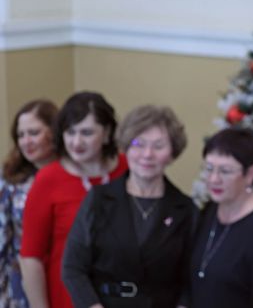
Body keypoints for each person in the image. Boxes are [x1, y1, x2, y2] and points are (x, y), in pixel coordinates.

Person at [62, 105, 194, 308]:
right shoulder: (98, 200)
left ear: (172, 153)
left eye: (158, 146)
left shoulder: (185, 209)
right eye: (138, 144)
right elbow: (73, 268)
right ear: (126, 147)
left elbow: (191, 279)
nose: (147, 154)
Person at [19, 92, 128, 308]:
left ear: (107, 133)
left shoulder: (129, 168)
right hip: (67, 298)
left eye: (86, 133)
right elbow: (30, 257)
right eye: (70, 132)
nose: (76, 142)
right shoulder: (49, 179)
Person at [189, 128, 253, 308]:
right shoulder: (210, 210)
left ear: (250, 174)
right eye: (209, 169)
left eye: (225, 171)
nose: (214, 179)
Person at [0, 100, 58, 308]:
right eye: (21, 135)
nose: (26, 142)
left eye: (34, 133)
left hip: (64, 278)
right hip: (20, 284)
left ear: (55, 132)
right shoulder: (10, 181)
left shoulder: (74, 177)